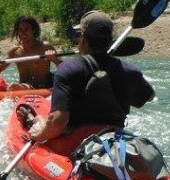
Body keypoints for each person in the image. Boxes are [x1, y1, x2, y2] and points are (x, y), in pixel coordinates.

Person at [26, 10, 154, 143]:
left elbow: (59, 121)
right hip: (114, 140)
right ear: (110, 40)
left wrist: (40, 131)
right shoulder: (130, 71)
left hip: (76, 144)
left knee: (41, 120)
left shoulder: (67, 69)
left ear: (83, 38)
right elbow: (148, 97)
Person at [0, 16, 61, 90]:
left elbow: (64, 67)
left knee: (15, 87)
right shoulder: (15, 51)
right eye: (20, 30)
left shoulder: (45, 47)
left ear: (34, 30)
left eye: (26, 29)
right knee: (15, 87)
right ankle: (21, 88)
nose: (23, 33)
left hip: (44, 88)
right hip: (24, 87)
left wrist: (54, 58)